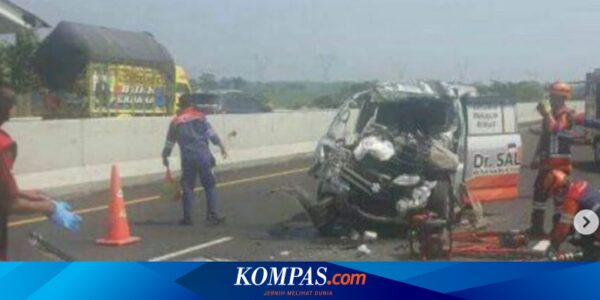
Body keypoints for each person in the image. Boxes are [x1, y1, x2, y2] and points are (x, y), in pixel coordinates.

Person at [0, 87, 82, 260]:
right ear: (8, 110)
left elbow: (6, 193)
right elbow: (8, 202)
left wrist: (26, 194)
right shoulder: (2, 146)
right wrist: (50, 208)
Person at [528, 81, 600, 235]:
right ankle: (537, 228)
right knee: (539, 196)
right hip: (546, 163)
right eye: (551, 96)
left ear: (562, 98)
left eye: (554, 96)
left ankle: (559, 230)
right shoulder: (551, 114)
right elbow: (544, 136)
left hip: (559, 165)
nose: (551, 99)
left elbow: (555, 129)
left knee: (559, 199)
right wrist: (535, 156)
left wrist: (547, 113)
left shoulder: (564, 114)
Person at [162, 94, 228, 226]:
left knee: (188, 187)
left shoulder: (175, 122)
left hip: (187, 158)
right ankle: (212, 215)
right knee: (209, 185)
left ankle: (188, 218)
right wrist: (221, 146)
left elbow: (170, 142)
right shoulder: (200, 117)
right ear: (191, 105)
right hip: (203, 156)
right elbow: (211, 134)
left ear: (180, 106)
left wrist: (165, 156)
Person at [542, 170, 600, 260]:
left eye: (555, 192)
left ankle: (591, 252)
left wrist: (553, 246)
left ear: (560, 189)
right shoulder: (581, 184)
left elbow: (563, 230)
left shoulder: (571, 199)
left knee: (578, 218)